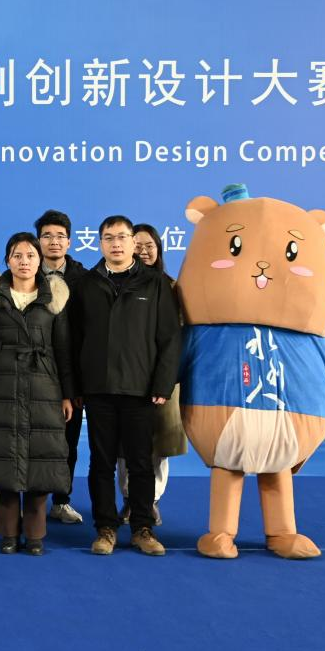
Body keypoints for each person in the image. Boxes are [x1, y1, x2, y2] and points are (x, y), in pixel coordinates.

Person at [72, 216, 180, 556]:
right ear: (100, 243)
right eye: (109, 238)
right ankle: (105, 528)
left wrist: (163, 383)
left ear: (134, 242)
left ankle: (142, 528)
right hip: (98, 388)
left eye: (122, 237)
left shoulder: (155, 283)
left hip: (140, 388)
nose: (116, 243)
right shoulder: (87, 284)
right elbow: (73, 339)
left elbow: (169, 338)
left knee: (141, 462)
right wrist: (76, 386)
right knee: (101, 462)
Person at [0, 233, 75, 556]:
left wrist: (67, 395)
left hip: (44, 389)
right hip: (0, 388)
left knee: (40, 461)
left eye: (30, 255)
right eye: (17, 256)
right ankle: (8, 534)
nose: (24, 261)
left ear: (40, 261)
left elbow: (63, 349)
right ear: (8, 261)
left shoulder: (54, 297)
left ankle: (35, 535)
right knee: (5, 461)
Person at [114, 223, 187, 526]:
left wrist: (166, 378)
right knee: (124, 445)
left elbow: (177, 336)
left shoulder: (172, 287)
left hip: (163, 378)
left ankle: (151, 500)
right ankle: (129, 499)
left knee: (159, 445)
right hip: (127, 376)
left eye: (150, 246)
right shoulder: (119, 284)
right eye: (138, 245)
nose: (143, 251)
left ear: (159, 250)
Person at [34, 209, 88, 525]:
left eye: (60, 236)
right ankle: (34, 502)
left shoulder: (85, 279)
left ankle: (61, 500)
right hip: (33, 373)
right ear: (38, 241)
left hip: (73, 374)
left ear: (69, 242)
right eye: (47, 236)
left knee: (68, 440)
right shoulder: (24, 274)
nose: (53, 241)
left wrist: (78, 384)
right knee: (34, 441)